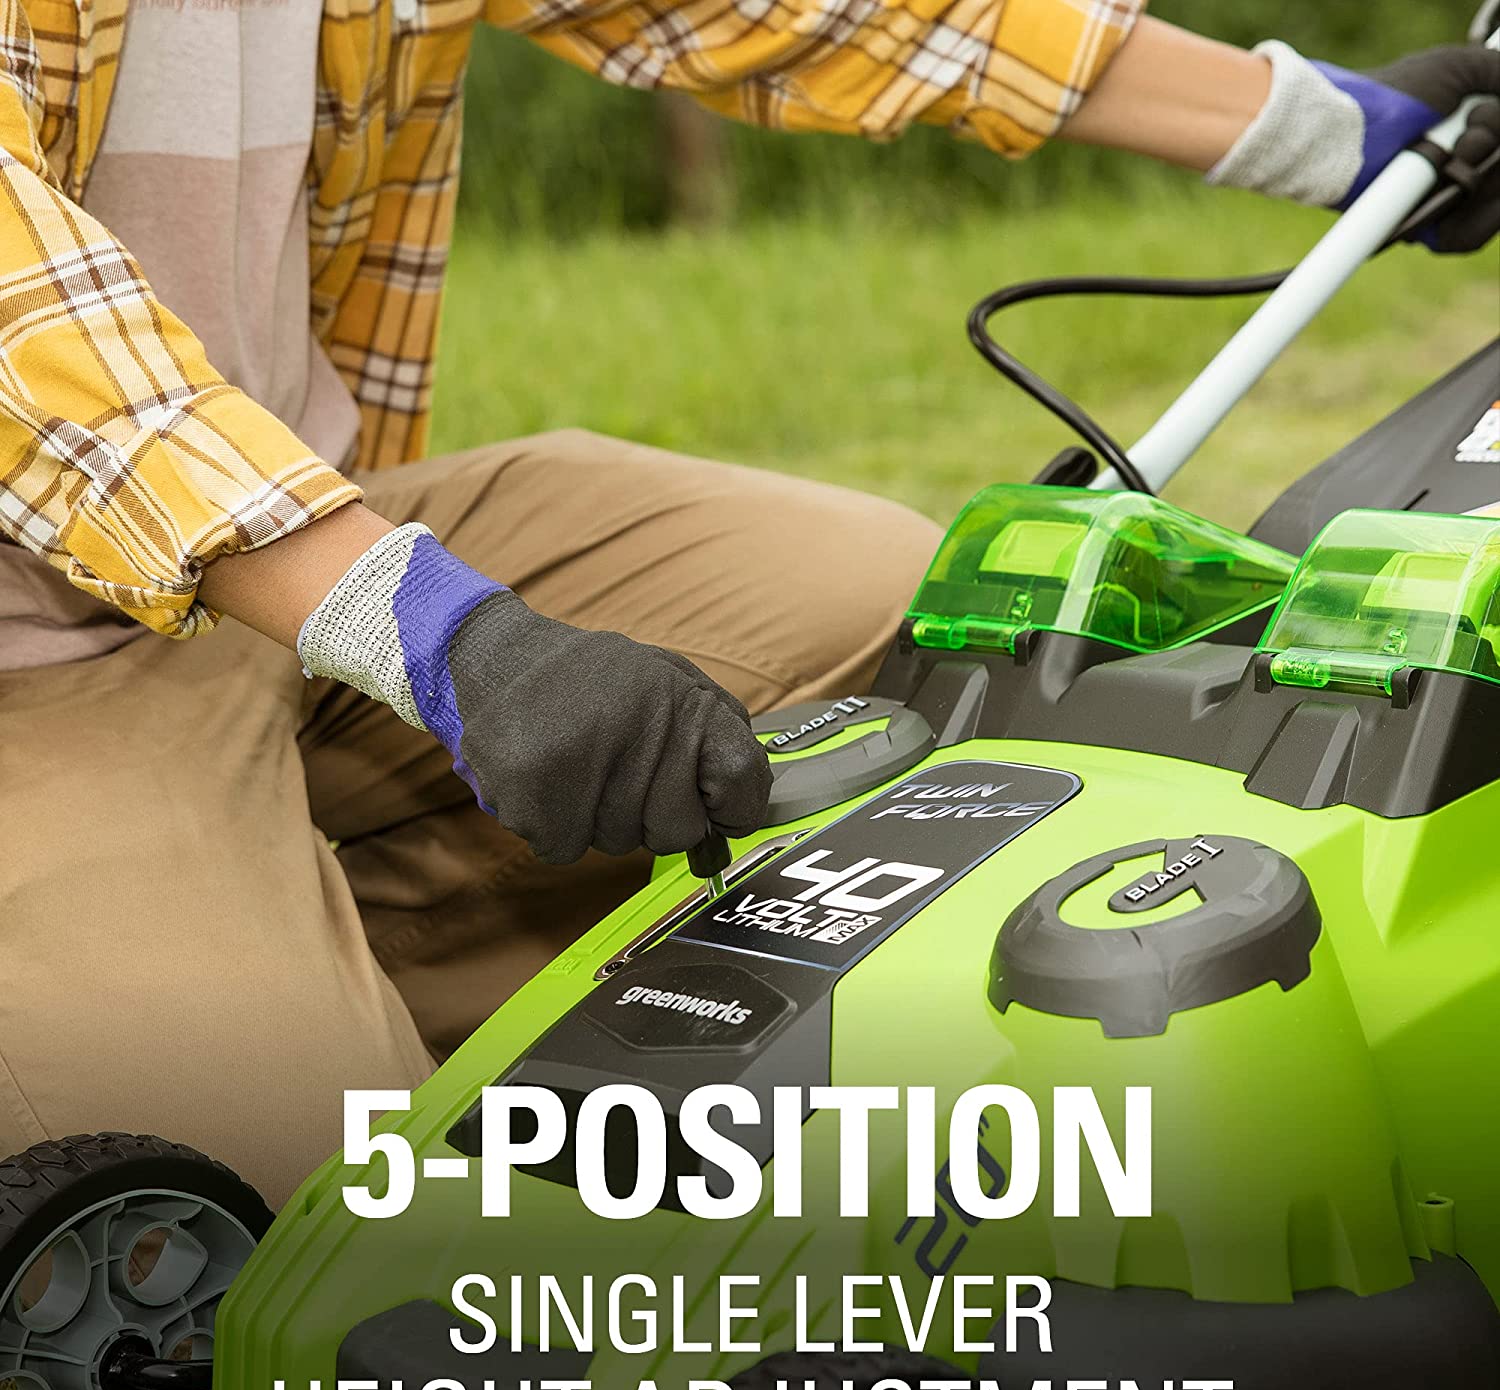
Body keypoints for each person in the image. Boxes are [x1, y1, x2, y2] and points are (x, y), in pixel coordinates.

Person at [0, 1, 1496, 1205]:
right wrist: (439, 634)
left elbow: (801, 11)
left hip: (315, 526)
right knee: (254, 1214)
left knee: (901, 623)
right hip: (36, 659)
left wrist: (1332, 130)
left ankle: (340, 952)